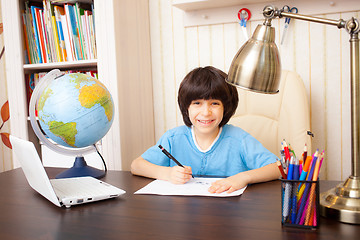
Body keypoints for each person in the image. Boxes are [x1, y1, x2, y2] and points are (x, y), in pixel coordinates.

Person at [131, 66, 280, 193]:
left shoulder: (239, 139)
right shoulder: (173, 138)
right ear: (186, 107)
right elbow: (136, 165)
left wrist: (243, 177)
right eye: (197, 103)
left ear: (226, 107)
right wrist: (167, 173)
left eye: (214, 103)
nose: (206, 112)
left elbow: (279, 167)